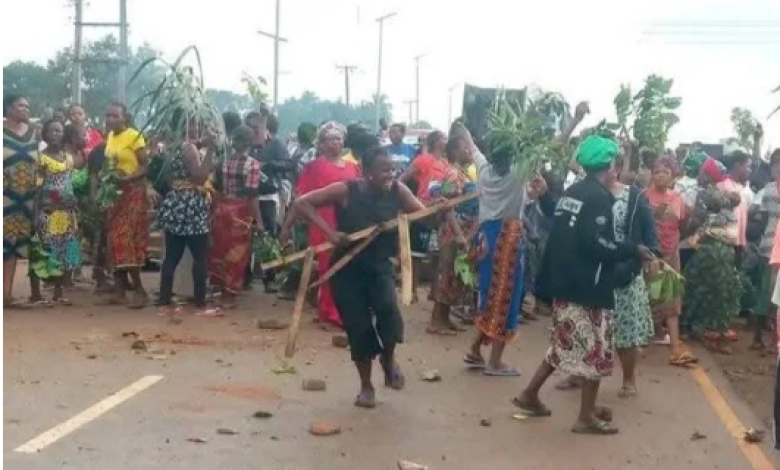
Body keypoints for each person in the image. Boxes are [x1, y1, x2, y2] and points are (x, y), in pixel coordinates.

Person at [514, 135, 652, 436]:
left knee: (563, 344)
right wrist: (633, 250)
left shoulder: (572, 192)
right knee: (597, 349)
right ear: (610, 165)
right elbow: (597, 244)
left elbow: (570, 231)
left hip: (564, 283)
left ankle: (530, 395)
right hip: (588, 287)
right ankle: (586, 415)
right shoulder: (599, 197)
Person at [280, 146, 425, 408]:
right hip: (347, 270)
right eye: (383, 170)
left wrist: (440, 210)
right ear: (367, 172)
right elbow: (302, 203)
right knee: (358, 327)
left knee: (389, 313)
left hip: (379, 266)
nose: (390, 174)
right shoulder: (347, 190)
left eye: (393, 169)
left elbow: (422, 213)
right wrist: (330, 233)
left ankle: (388, 360)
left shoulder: (398, 191)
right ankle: (366, 386)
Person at [293, 122, 361, 327]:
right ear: (321, 144)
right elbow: (302, 197)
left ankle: (334, 308)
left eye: (339, 139)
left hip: (349, 219)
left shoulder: (353, 167)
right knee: (329, 265)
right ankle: (331, 312)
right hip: (323, 219)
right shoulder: (313, 167)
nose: (336, 143)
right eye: (331, 139)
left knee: (349, 265)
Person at [156, 115, 217, 316]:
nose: (197, 128)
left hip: (175, 201)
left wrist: (203, 144)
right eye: (193, 124)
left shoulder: (173, 146)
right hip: (191, 203)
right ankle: (200, 301)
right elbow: (199, 175)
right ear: (186, 126)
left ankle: (164, 297)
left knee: (172, 255)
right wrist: (211, 150)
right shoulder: (189, 148)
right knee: (200, 255)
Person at [682, 157, 742, 353]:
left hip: (710, 248)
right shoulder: (725, 195)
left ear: (708, 175)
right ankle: (717, 329)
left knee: (694, 283)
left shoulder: (705, 195)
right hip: (726, 249)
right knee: (721, 289)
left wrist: (680, 234)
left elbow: (696, 220)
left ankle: (696, 327)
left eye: (701, 171)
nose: (699, 175)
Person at [609, 157, 658, 396]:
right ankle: (577, 374)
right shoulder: (587, 193)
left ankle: (629, 380)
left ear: (617, 169)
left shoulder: (634, 196)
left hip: (626, 268)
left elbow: (649, 228)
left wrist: (651, 255)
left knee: (626, 330)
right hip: (596, 269)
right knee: (587, 325)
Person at [645, 155, 696, 365]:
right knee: (649, 297)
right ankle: (641, 340)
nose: (660, 176)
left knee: (672, 298)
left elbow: (683, 225)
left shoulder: (678, 199)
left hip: (671, 255)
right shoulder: (643, 197)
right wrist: (653, 215)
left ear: (673, 176)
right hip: (650, 256)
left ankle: (675, 346)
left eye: (665, 172)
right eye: (656, 172)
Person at [210, 125, 264, 308]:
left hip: (222, 208)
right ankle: (230, 294)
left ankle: (222, 289)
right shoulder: (253, 165)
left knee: (221, 249)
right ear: (250, 142)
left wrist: (212, 212)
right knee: (238, 253)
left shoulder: (221, 162)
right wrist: (259, 221)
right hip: (240, 212)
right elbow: (252, 195)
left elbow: (216, 191)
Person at [32, 120, 85, 305]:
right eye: (52, 130)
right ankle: (35, 293)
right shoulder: (41, 158)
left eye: (59, 131)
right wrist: (35, 215)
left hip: (66, 212)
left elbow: (68, 184)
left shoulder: (68, 158)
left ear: (64, 135)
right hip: (48, 211)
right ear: (45, 134)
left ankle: (58, 292)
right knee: (44, 249)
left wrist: (74, 208)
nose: (56, 134)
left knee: (64, 249)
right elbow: (37, 189)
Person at [103, 102, 151, 308]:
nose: (110, 119)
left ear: (125, 117)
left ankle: (139, 290)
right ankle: (120, 290)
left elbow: (145, 165)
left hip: (133, 192)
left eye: (114, 116)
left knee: (123, 238)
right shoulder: (110, 138)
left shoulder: (134, 135)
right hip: (115, 194)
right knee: (113, 240)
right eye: (107, 116)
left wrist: (129, 178)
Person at [399, 131, 451, 303]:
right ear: (436, 142)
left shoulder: (446, 164)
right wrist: (409, 201)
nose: (447, 141)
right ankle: (412, 290)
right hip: (422, 211)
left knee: (437, 253)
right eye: (444, 139)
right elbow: (402, 179)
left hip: (440, 212)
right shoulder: (423, 160)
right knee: (417, 254)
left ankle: (434, 290)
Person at [3, 95, 38, 308]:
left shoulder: (34, 133)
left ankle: (6, 294)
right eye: (21, 105)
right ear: (8, 108)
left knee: (12, 246)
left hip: (26, 200)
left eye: (27, 105)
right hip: (4, 197)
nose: (25, 109)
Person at [751, 149, 780, 350]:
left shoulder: (767, 190)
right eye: (775, 163)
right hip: (770, 246)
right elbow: (762, 220)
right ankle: (761, 337)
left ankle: (764, 337)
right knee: (767, 292)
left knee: (770, 292)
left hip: (769, 245)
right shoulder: (768, 191)